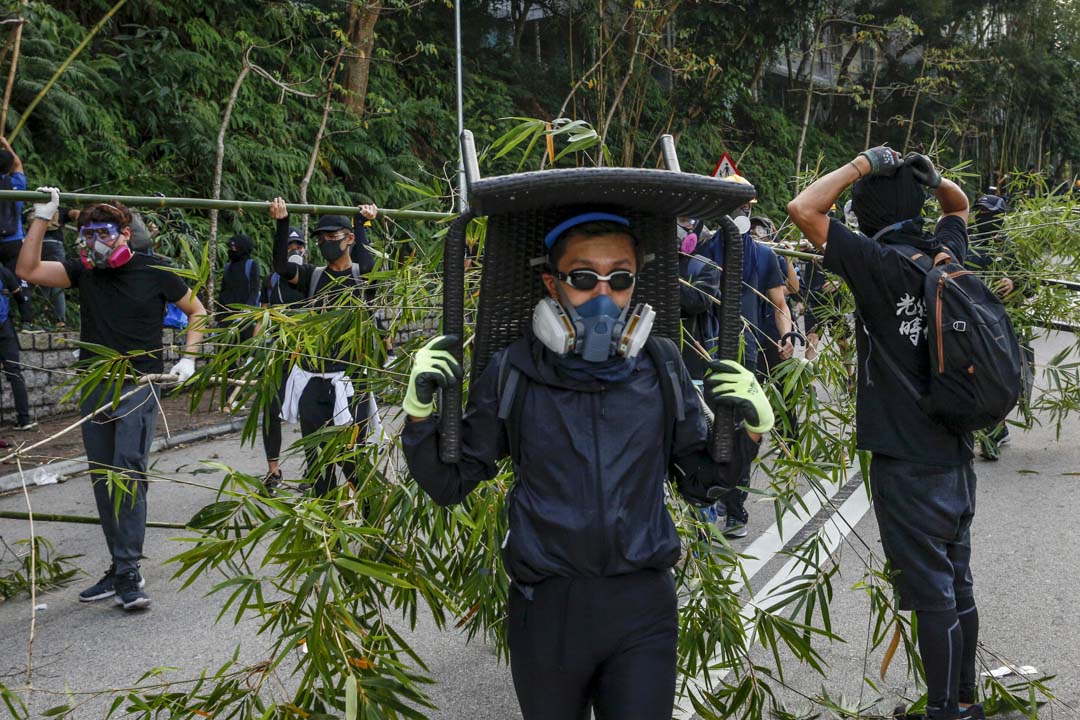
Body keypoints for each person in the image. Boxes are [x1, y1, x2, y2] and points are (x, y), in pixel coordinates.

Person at [401, 212, 772, 719]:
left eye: (620, 279)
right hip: (547, 611)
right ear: (552, 284)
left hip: (643, 609)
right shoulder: (512, 371)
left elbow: (704, 483)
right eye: (582, 278)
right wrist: (420, 416)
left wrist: (749, 432)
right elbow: (449, 481)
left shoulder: (661, 365)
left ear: (635, 285)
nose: (604, 295)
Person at [787, 148, 985, 720]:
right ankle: (964, 702)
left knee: (931, 591)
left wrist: (859, 165)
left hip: (904, 454)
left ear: (866, 215)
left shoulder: (875, 261)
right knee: (956, 579)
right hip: (954, 450)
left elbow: (803, 208)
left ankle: (943, 711)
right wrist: (938, 179)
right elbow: (961, 204)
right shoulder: (945, 255)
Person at [16, 188, 207, 611]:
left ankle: (127, 571)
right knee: (104, 477)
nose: (92, 244)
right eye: (85, 236)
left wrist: (188, 359)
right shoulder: (84, 272)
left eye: (101, 233)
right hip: (95, 384)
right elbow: (27, 269)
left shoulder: (154, 269)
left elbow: (198, 311)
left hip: (138, 385)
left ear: (123, 234)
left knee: (128, 471)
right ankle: (119, 567)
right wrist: (42, 218)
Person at [268, 198, 379, 495]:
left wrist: (363, 223)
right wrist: (282, 224)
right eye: (322, 239)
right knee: (317, 462)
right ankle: (327, 531)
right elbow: (281, 266)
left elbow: (367, 262)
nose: (326, 243)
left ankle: (371, 519)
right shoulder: (313, 276)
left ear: (349, 240)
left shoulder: (362, 276)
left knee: (352, 459)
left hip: (351, 384)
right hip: (314, 382)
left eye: (333, 237)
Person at [967, 194, 1033, 460]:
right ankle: (985, 428)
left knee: (1005, 376)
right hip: (976, 322)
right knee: (978, 376)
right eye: (981, 214)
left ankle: (996, 429)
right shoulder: (966, 244)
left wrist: (1013, 284)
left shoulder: (1010, 248)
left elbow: (1031, 283)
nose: (986, 219)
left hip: (1006, 323)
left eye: (991, 215)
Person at [258, 225, 307, 489]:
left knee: (312, 412)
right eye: (290, 246)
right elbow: (262, 316)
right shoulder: (271, 280)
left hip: (308, 353)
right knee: (270, 411)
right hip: (279, 353)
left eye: (299, 245)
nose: (295, 250)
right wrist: (256, 350)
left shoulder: (313, 277)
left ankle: (314, 470)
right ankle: (273, 470)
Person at [677, 218, 721, 380]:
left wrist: (666, 279)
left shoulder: (704, 266)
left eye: (686, 220)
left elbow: (698, 301)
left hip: (692, 354)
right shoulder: (650, 261)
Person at [0, 137, 34, 329]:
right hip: (13, 240)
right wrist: (5, 142)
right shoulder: (17, 183)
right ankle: (27, 320)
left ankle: (6, 317)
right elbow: (18, 163)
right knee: (20, 277)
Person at [0, 265, 35, 430]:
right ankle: (24, 419)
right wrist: (26, 320)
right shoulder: (4, 272)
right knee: (15, 373)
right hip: (5, 329)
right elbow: (20, 298)